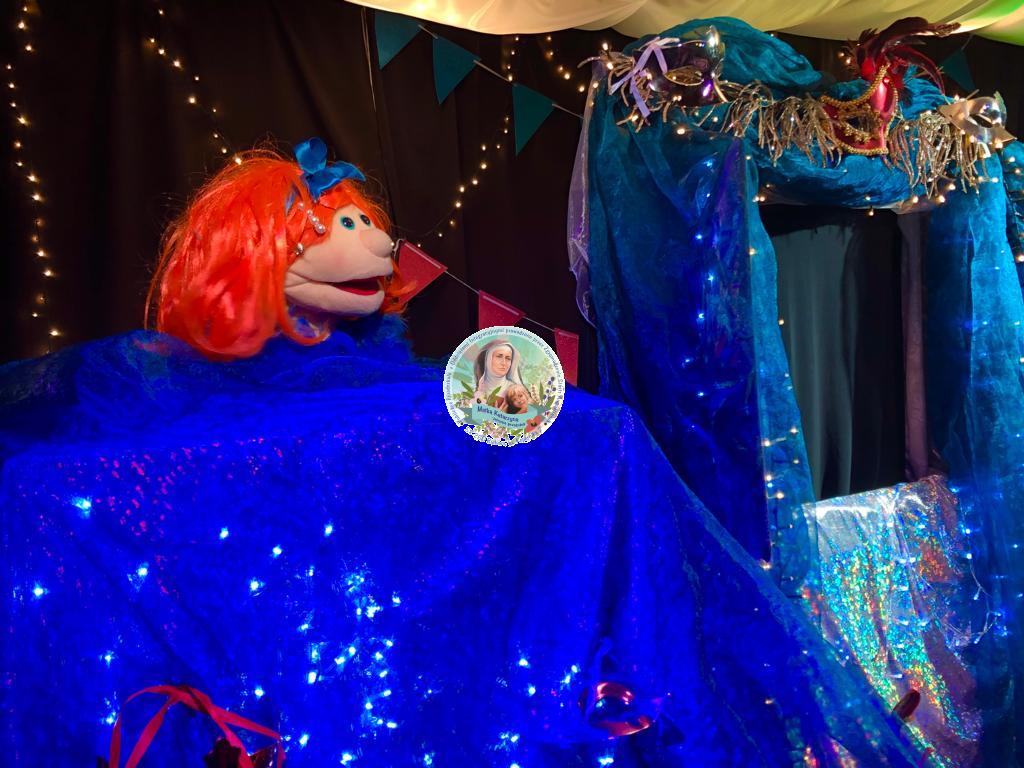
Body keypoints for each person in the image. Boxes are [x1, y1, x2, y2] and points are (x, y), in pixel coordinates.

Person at [472, 340, 523, 408]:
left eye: (508, 358)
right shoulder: (477, 389)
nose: (504, 363)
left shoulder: (515, 390)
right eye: (499, 356)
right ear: (488, 359)